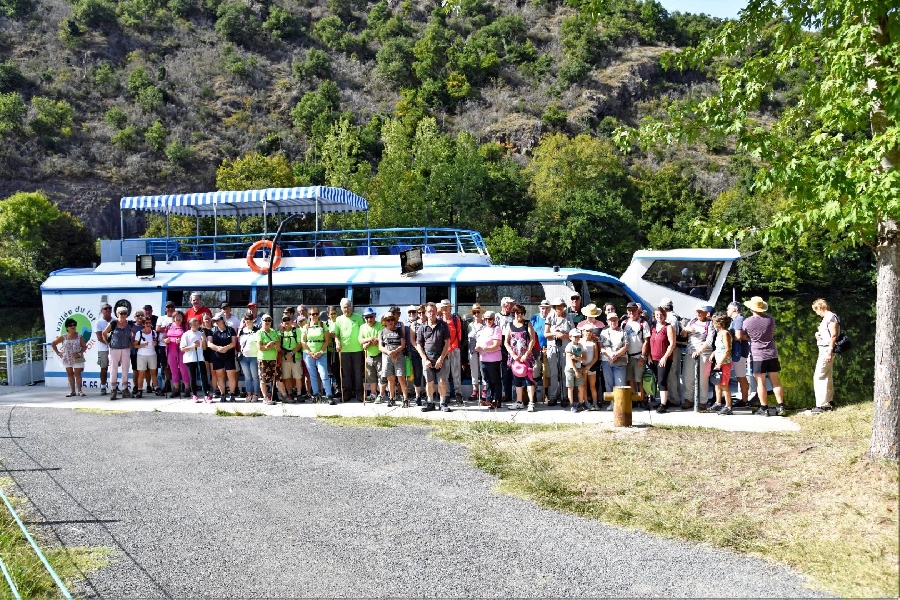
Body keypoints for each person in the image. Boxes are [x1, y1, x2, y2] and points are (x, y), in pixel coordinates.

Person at [743, 296, 786, 416]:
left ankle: (764, 408)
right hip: (772, 353)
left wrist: (750, 337)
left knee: (760, 383)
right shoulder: (770, 320)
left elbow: (743, 335)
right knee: (775, 382)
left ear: (751, 308)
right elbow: (770, 333)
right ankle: (781, 406)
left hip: (758, 355)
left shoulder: (747, 322)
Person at [415, 302, 452, 412]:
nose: (431, 313)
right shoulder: (422, 327)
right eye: (429, 311)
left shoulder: (443, 325)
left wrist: (441, 358)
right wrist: (425, 359)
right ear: (425, 313)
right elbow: (418, 345)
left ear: (436, 312)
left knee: (442, 382)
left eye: (433, 311)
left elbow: (447, 343)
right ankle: (430, 402)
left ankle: (442, 403)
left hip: (441, 358)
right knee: (429, 382)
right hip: (427, 359)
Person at [681, 303, 715, 411]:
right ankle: (688, 399)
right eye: (697, 311)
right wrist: (686, 330)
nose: (699, 313)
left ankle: (702, 401)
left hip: (704, 354)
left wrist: (699, 351)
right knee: (688, 377)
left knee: (703, 379)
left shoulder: (710, 324)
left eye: (701, 311)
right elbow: (683, 335)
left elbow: (709, 341)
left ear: (706, 313)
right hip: (690, 352)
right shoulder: (692, 321)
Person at [504, 304, 537, 412]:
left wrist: (526, 354)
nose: (520, 315)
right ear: (514, 313)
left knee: (529, 380)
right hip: (515, 358)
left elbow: (532, 340)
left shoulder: (527, 323)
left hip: (526, 358)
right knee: (516, 380)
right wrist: (513, 355)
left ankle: (531, 402)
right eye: (518, 313)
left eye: (522, 313)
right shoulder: (509, 325)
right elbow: (506, 342)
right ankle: (519, 402)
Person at [544, 297, 574, 406]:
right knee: (554, 373)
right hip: (553, 347)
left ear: (563, 306)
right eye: (557, 306)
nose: (559, 308)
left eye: (561, 306)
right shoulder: (550, 317)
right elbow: (546, 334)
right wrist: (555, 334)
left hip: (565, 347)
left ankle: (564, 397)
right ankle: (552, 397)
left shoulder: (568, 317)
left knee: (565, 372)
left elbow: (573, 333)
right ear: (554, 307)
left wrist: (564, 335)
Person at [811, 298, 839, 413]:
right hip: (824, 349)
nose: (817, 313)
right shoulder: (827, 318)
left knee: (819, 376)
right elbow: (826, 333)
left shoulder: (831, 317)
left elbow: (834, 335)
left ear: (820, 307)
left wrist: (829, 351)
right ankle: (829, 401)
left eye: (816, 310)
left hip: (827, 350)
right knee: (827, 375)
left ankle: (822, 405)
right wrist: (817, 334)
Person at [333, 298, 364, 402]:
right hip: (344, 350)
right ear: (341, 308)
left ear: (351, 306)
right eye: (344, 307)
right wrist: (337, 342)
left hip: (358, 349)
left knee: (358, 372)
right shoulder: (338, 319)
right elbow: (336, 335)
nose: (347, 309)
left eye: (348, 306)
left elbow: (363, 331)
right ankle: (347, 393)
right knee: (346, 373)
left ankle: (359, 393)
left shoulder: (359, 318)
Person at [301, 306, 334, 404]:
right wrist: (309, 352)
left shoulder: (323, 325)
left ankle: (329, 395)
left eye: (316, 314)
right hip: (308, 354)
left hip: (321, 353)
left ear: (318, 315)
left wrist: (320, 352)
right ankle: (316, 395)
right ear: (309, 315)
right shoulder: (305, 327)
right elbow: (303, 341)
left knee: (323, 374)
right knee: (313, 375)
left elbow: (327, 340)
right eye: (312, 314)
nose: (314, 316)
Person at [621, 302, 650, 406]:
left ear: (638, 311)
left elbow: (646, 341)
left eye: (633, 310)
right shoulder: (624, 323)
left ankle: (642, 399)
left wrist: (643, 356)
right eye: (629, 310)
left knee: (639, 380)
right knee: (630, 379)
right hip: (627, 356)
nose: (631, 312)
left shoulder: (643, 323)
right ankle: (634, 399)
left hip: (638, 355)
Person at [649, 307, 677, 413]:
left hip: (664, 359)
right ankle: (660, 400)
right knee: (657, 380)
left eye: (661, 314)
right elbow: (649, 343)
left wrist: (664, 357)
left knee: (662, 381)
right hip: (653, 359)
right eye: (657, 315)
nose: (659, 316)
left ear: (664, 315)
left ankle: (663, 404)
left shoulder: (668, 327)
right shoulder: (653, 327)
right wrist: (648, 356)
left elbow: (672, 344)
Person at [103, 306, 134, 400]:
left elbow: (134, 333)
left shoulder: (129, 324)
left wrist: (131, 342)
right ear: (117, 314)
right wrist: (107, 343)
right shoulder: (113, 323)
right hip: (114, 349)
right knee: (113, 369)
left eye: (125, 313)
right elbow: (104, 333)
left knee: (125, 369)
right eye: (121, 313)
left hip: (125, 348)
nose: (123, 315)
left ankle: (125, 389)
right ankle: (113, 390)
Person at [475, 310, 503, 410]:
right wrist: (477, 347)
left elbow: (496, 345)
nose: (488, 321)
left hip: (494, 359)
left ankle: (497, 400)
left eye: (490, 319)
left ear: (494, 319)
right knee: (487, 380)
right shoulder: (483, 329)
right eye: (486, 319)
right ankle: (489, 399)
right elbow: (479, 342)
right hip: (483, 358)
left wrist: (484, 349)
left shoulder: (497, 329)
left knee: (495, 380)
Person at [438, 299, 465, 404]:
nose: (445, 308)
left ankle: (458, 393)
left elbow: (459, 334)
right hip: (443, 350)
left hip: (454, 348)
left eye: (447, 306)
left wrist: (452, 347)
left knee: (456, 372)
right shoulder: (439, 319)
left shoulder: (455, 319)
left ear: (450, 307)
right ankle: (447, 394)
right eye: (443, 306)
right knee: (445, 373)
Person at [707, 312, 734, 414]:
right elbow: (719, 347)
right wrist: (713, 354)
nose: (713, 323)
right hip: (718, 362)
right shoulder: (719, 333)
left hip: (724, 363)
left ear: (720, 323)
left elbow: (727, 350)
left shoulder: (725, 333)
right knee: (717, 383)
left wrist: (720, 363)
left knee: (724, 384)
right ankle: (718, 403)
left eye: (714, 322)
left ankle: (728, 406)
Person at [52, 318, 87, 397]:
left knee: (78, 374)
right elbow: (53, 343)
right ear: (67, 327)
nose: (73, 326)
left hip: (77, 358)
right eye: (70, 325)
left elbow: (84, 346)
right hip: (67, 358)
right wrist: (58, 352)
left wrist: (79, 353)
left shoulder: (79, 336)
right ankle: (72, 391)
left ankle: (80, 391)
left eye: (74, 325)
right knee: (70, 374)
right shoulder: (63, 337)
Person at [378, 311, 407, 406]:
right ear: (384, 321)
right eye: (388, 320)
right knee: (390, 378)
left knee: (401, 378)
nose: (390, 321)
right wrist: (389, 352)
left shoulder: (399, 330)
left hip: (398, 356)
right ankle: (391, 398)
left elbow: (403, 345)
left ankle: (405, 399)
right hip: (387, 357)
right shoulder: (382, 332)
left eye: (392, 319)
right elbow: (380, 347)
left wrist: (395, 352)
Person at [726, 301, 752, 407]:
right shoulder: (736, 320)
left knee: (741, 376)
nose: (726, 310)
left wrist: (726, 339)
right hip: (738, 351)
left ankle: (745, 401)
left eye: (728, 308)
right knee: (740, 375)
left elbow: (738, 336)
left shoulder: (738, 319)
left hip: (739, 351)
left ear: (735, 310)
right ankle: (744, 400)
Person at [660, 298, 684, 408]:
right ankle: (675, 397)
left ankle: (674, 399)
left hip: (672, 349)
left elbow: (671, 337)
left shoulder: (671, 319)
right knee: (673, 374)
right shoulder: (675, 316)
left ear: (664, 308)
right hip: (675, 348)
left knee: (672, 374)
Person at [257, 314, 287, 405]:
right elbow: (259, 347)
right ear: (261, 321)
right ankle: (265, 397)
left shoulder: (273, 331)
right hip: (264, 359)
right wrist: (268, 346)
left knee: (278, 378)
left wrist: (273, 343)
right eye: (265, 320)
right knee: (263, 379)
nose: (267, 322)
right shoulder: (259, 333)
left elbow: (278, 342)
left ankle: (285, 396)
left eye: (269, 320)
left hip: (274, 359)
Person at [600, 313, 627, 410]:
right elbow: (601, 347)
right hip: (606, 361)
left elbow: (625, 346)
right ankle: (612, 403)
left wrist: (615, 355)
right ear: (607, 321)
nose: (613, 322)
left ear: (618, 320)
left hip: (620, 361)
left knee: (620, 384)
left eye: (615, 319)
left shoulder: (623, 332)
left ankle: (620, 404)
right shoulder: (603, 332)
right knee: (609, 384)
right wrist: (609, 355)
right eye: (611, 320)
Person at [180, 317, 211, 403]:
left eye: (197, 324)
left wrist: (204, 339)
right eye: (194, 324)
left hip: (200, 358)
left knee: (203, 376)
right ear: (190, 325)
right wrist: (193, 346)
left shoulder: (200, 333)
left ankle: (206, 395)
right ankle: (194, 395)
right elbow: (182, 348)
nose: (196, 326)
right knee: (192, 377)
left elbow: (204, 348)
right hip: (190, 359)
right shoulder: (186, 334)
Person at [209, 313, 238, 403]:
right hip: (217, 356)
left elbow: (233, 343)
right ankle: (222, 394)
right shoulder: (212, 330)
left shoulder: (231, 330)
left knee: (231, 376)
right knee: (220, 376)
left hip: (229, 355)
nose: (216, 322)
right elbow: (209, 344)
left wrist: (225, 348)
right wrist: (219, 348)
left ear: (223, 320)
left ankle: (232, 394)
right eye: (215, 320)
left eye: (218, 320)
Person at [162, 310, 190, 398]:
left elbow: (189, 338)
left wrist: (181, 341)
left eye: (180, 317)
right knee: (173, 370)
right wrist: (165, 340)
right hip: (170, 350)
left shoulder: (185, 326)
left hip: (182, 351)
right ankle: (176, 389)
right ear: (173, 318)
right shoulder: (169, 326)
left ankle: (187, 389)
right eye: (176, 317)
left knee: (183, 370)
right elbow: (163, 337)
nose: (178, 318)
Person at [358, 307, 383, 402]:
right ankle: (373, 394)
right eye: (366, 317)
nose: (369, 319)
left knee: (381, 375)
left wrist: (374, 340)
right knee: (371, 376)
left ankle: (381, 395)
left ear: (374, 316)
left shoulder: (380, 325)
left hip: (379, 354)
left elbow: (381, 338)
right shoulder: (362, 327)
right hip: (368, 355)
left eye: (371, 317)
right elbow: (360, 340)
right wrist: (370, 340)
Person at [530, 299, 551, 402]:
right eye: (543, 308)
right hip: (536, 350)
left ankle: (546, 394)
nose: (544, 310)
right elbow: (530, 334)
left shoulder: (552, 318)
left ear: (549, 309)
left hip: (548, 349)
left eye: (547, 308)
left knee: (547, 373)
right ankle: (533, 395)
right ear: (540, 308)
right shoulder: (534, 318)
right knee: (535, 372)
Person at [466, 304, 487, 403]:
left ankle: (485, 390)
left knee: (484, 371)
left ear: (481, 313)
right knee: (473, 371)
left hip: (483, 351)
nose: (476, 314)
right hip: (472, 351)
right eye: (474, 312)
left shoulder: (485, 325)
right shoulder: (469, 325)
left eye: (478, 312)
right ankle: (475, 390)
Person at [279, 314, 303, 403]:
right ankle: (290, 393)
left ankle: (299, 394)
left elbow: (300, 344)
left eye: (288, 319)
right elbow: (278, 345)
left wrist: (292, 353)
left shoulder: (297, 331)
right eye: (284, 320)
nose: (286, 322)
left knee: (297, 376)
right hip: (284, 358)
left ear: (291, 321)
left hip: (296, 357)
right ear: (282, 322)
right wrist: (286, 354)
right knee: (286, 377)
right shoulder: (279, 333)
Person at [405, 305, 425, 404]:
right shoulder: (413, 324)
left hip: (428, 353)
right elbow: (412, 340)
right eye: (419, 312)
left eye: (423, 312)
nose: (421, 314)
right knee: (417, 374)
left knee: (427, 375)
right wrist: (418, 349)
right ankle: (417, 396)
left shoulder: (430, 323)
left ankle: (427, 394)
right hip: (415, 352)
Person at [238, 313, 260, 402]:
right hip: (244, 357)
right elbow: (239, 343)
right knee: (247, 377)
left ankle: (255, 394)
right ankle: (249, 394)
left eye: (250, 319)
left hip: (254, 356)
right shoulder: (242, 331)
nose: (248, 321)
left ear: (252, 320)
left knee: (255, 376)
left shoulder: (257, 330)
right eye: (246, 319)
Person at [155, 301, 176, 396]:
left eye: (172, 306)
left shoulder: (177, 317)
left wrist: (166, 328)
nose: (170, 308)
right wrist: (169, 328)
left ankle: (177, 385)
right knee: (165, 365)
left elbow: (177, 328)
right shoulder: (161, 318)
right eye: (168, 307)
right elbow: (157, 329)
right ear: (165, 308)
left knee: (175, 365)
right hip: (163, 345)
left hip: (174, 345)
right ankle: (167, 382)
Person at [133, 317, 157, 398]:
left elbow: (156, 343)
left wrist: (155, 343)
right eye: (146, 323)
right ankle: (140, 390)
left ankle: (156, 388)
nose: (148, 324)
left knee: (153, 372)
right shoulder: (139, 333)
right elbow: (135, 345)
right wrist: (142, 345)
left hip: (152, 354)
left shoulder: (153, 333)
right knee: (141, 373)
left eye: (149, 323)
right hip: (141, 355)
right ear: (143, 324)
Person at [497, 297, 516, 402]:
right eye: (510, 304)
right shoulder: (497, 317)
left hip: (509, 345)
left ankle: (507, 394)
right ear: (505, 305)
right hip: (498, 344)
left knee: (507, 371)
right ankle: (497, 394)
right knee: (496, 371)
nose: (512, 306)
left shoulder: (513, 317)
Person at [564, 328, 586, 413]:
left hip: (579, 368)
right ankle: (572, 404)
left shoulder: (580, 346)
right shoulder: (569, 346)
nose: (577, 338)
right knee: (571, 387)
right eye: (575, 336)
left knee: (581, 386)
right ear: (570, 337)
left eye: (578, 336)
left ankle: (580, 404)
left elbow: (584, 358)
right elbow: (570, 360)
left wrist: (576, 357)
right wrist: (575, 370)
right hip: (570, 369)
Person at [94, 302, 112, 395]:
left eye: (109, 308)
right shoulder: (99, 322)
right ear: (102, 311)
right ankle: (103, 387)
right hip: (103, 349)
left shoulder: (115, 320)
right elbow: (99, 337)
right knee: (104, 368)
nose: (108, 310)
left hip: (114, 349)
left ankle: (113, 387)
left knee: (114, 368)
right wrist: (109, 344)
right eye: (105, 308)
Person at [580, 327, 600, 410]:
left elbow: (596, 357)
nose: (588, 332)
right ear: (583, 331)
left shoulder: (594, 343)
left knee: (592, 386)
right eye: (587, 330)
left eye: (590, 331)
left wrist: (589, 366)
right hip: (582, 366)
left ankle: (595, 403)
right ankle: (586, 403)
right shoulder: (580, 341)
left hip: (592, 367)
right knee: (584, 385)